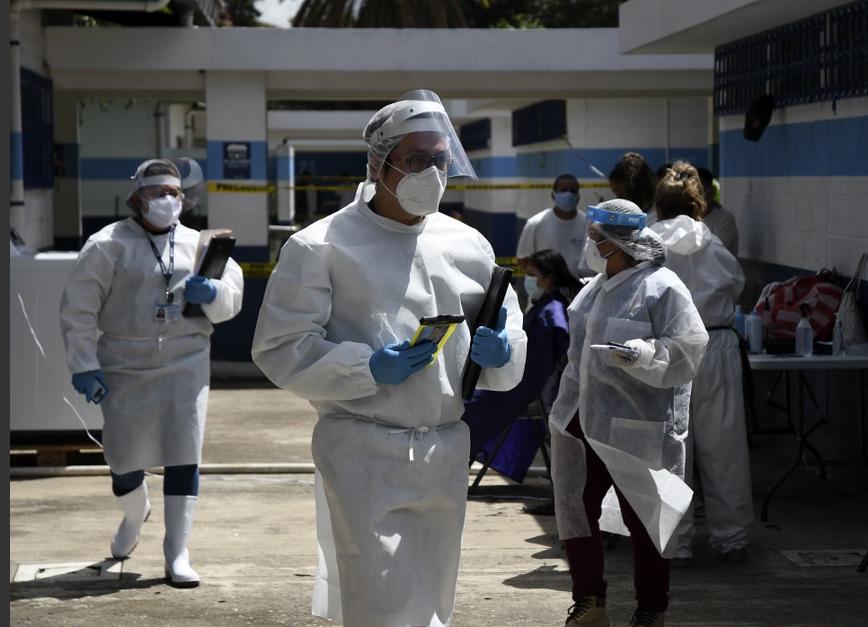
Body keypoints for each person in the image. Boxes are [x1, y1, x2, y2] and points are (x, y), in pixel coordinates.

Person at [250, 89, 527, 627]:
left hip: (446, 446)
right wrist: (366, 367)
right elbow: (280, 347)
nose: (433, 173)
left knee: (432, 595)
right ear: (378, 164)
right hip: (364, 448)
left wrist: (503, 351)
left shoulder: (466, 243)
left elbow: (506, 325)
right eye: (417, 160)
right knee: (380, 601)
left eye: (440, 159)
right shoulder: (321, 246)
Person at [60, 158, 244, 587]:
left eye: (173, 194)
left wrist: (214, 291)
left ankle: (176, 552)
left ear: (184, 199)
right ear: (137, 199)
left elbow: (233, 294)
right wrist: (84, 364)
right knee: (123, 457)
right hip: (125, 363)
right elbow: (79, 309)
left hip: (186, 361)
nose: (165, 201)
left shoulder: (200, 244)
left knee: (184, 451)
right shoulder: (108, 244)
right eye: (156, 193)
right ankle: (133, 512)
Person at [551, 199, 708, 627]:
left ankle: (651, 608)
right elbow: (576, 359)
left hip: (638, 426)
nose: (590, 241)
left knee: (647, 519)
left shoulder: (662, 288)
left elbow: (691, 348)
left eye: (597, 236)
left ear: (618, 242)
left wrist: (645, 353)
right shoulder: (592, 291)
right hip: (582, 422)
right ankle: (589, 602)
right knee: (577, 510)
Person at [651, 162, 753, 566]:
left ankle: (676, 542)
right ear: (698, 207)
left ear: (658, 206)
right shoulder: (714, 242)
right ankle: (733, 538)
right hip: (717, 345)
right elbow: (737, 285)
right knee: (724, 445)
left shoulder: (647, 244)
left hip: (668, 351)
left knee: (670, 451)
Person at [463, 249, 583, 482]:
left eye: (532, 274)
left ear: (547, 277)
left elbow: (534, 367)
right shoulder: (547, 305)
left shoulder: (552, 314)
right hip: (521, 377)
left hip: (523, 384)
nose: (529, 280)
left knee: (468, 406)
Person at [516, 173, 589, 277]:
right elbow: (523, 259)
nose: (568, 194)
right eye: (563, 190)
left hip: (578, 289)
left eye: (572, 191)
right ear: (553, 195)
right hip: (544, 290)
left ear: (578, 197)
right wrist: (542, 281)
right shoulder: (535, 223)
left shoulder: (588, 224)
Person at [694, 166, 739, 256]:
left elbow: (714, 254)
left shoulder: (724, 219)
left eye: (699, 192)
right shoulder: (686, 218)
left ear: (711, 193)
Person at [608, 152, 657, 226]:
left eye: (621, 195)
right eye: (617, 196)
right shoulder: (624, 218)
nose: (619, 202)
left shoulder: (658, 220)